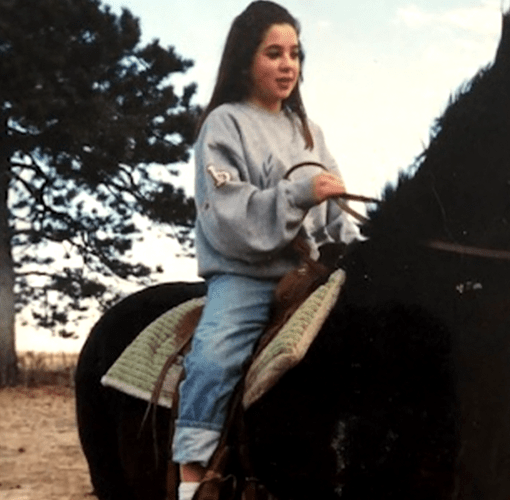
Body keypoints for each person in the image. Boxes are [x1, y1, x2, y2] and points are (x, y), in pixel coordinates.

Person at [172, 2, 360, 498]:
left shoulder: (309, 131)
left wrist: (355, 242)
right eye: (273, 53)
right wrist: (299, 194)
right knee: (215, 355)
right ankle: (194, 475)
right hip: (248, 276)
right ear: (242, 61)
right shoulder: (224, 124)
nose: (287, 65)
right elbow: (227, 210)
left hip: (313, 273)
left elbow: (336, 210)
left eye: (295, 54)